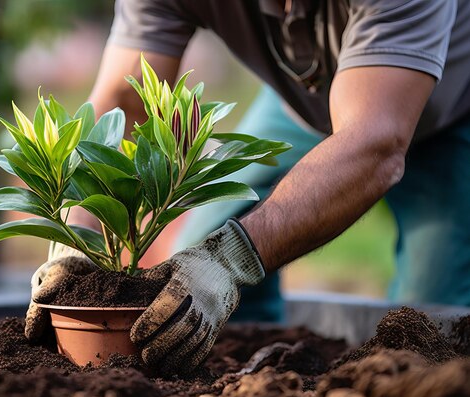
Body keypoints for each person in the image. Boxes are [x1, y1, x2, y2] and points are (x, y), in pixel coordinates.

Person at [26, 0, 470, 374]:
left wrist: (230, 261)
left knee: (427, 330)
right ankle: (254, 374)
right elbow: (124, 104)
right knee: (196, 270)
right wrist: (76, 236)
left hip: (446, 113)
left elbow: (375, 143)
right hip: (303, 104)